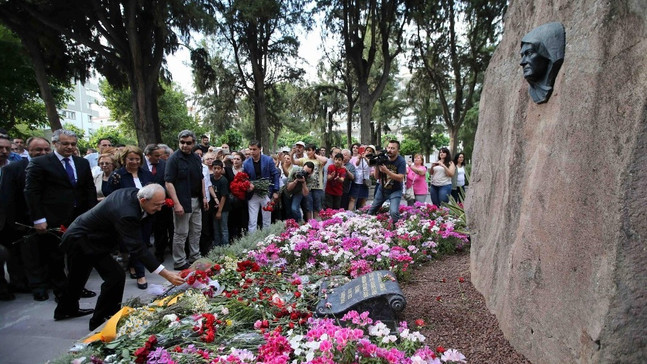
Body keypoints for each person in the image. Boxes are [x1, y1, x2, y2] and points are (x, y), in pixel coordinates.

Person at [54, 184, 185, 331]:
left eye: (162, 204)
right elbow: (137, 247)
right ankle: (101, 319)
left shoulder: (135, 195)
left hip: (90, 237)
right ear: (143, 200)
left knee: (77, 276)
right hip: (83, 239)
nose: (159, 209)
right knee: (114, 276)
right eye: (156, 205)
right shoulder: (127, 213)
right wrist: (165, 273)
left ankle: (65, 310)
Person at [24, 129, 97, 302]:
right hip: (52, 218)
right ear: (55, 144)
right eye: (65, 144)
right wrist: (39, 219)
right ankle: (61, 291)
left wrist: (92, 213)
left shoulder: (81, 163)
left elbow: (89, 189)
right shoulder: (41, 163)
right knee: (55, 256)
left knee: (78, 254)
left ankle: (76, 286)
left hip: (78, 217)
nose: (70, 147)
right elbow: (32, 192)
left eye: (73, 144)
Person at [0, 137, 52, 300]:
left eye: (46, 149)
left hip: (51, 220)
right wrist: (16, 223)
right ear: (28, 150)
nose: (42, 153)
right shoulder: (14, 169)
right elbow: (8, 199)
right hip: (25, 221)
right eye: (38, 149)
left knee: (50, 254)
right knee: (30, 256)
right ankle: (37, 287)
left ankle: (51, 282)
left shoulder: (55, 167)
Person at [106, 145, 154, 289]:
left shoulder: (146, 174)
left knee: (143, 242)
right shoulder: (118, 175)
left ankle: (134, 266)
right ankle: (141, 275)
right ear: (124, 159)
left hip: (145, 214)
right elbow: (111, 194)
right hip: (127, 216)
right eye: (131, 159)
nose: (134, 162)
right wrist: (112, 182)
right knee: (135, 242)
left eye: (137, 159)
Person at [165, 130, 207, 271]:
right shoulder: (174, 159)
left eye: (188, 143)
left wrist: (205, 196)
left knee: (196, 231)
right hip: (182, 201)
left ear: (193, 143)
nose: (184, 145)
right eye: (182, 142)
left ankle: (194, 257)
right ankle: (179, 261)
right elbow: (168, 182)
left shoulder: (196, 158)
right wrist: (176, 203)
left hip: (197, 200)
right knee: (181, 232)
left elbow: (201, 178)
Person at [519, 22, 565, 104]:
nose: (522, 62)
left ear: (547, 52)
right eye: (522, 55)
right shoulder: (534, 91)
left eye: (529, 53)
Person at [242, 141, 280, 233]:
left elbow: (275, 175)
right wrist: (248, 184)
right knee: (252, 221)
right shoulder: (246, 163)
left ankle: (267, 242)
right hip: (253, 194)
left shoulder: (268, 160)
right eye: (250, 149)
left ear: (260, 149)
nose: (252, 152)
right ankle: (252, 242)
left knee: (267, 220)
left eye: (254, 149)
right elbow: (244, 178)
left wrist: (275, 191)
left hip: (266, 192)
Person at [143, 144, 171, 263]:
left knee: (161, 229)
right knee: (145, 229)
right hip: (144, 203)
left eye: (160, 155)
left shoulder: (164, 165)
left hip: (161, 204)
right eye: (156, 156)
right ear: (148, 155)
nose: (159, 158)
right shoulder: (140, 165)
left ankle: (159, 253)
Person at [367, 140, 406, 223]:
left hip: (395, 190)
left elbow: (400, 178)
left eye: (392, 148)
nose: (389, 150)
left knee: (394, 212)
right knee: (371, 211)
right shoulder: (383, 158)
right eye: (388, 147)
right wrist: (377, 165)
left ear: (398, 150)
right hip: (382, 189)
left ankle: (397, 229)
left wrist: (386, 171)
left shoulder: (401, 161)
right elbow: (376, 177)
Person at [293, 144, 328, 219]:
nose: (308, 152)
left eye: (309, 150)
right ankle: (309, 223)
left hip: (318, 187)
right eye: (306, 150)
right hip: (307, 187)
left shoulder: (319, 160)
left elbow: (325, 160)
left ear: (314, 150)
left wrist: (315, 155)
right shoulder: (304, 159)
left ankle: (317, 223)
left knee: (317, 207)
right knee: (308, 207)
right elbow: (294, 162)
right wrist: (292, 153)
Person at [225, 151, 248, 240]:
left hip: (242, 200)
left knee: (242, 220)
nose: (236, 161)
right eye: (234, 159)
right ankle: (232, 238)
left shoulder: (245, 170)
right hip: (231, 200)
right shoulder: (228, 169)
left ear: (242, 161)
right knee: (231, 221)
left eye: (238, 159)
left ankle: (241, 237)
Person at [348, 145, 375, 211]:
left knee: (363, 199)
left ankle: (362, 214)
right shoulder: (359, 156)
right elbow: (357, 164)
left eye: (370, 151)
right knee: (352, 198)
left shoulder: (372, 159)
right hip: (357, 179)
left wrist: (365, 158)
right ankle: (349, 213)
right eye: (367, 150)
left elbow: (370, 164)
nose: (368, 152)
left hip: (365, 181)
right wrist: (360, 158)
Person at [210, 160, 230, 246]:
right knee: (215, 228)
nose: (216, 170)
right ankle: (217, 245)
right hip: (214, 207)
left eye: (219, 168)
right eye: (215, 168)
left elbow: (224, 196)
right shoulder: (210, 178)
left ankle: (225, 246)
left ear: (222, 169)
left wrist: (219, 211)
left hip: (223, 208)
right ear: (212, 168)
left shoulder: (223, 181)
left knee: (223, 228)